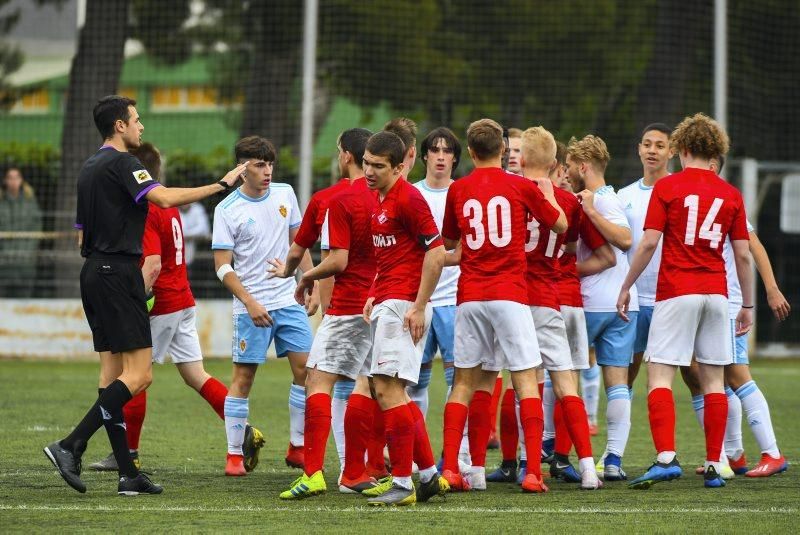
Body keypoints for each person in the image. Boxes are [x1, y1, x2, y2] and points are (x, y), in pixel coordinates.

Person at [44, 95, 247, 496]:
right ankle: (70, 445)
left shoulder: (88, 167)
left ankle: (127, 473)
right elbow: (165, 198)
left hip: (93, 273)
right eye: (136, 120)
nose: (141, 127)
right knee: (140, 375)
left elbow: (81, 234)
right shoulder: (124, 163)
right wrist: (222, 184)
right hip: (119, 273)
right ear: (119, 126)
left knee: (111, 379)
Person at [88, 142, 263, 474]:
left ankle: (129, 453)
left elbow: (152, 264)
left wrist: (134, 299)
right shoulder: (169, 206)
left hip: (162, 303)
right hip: (182, 299)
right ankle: (243, 430)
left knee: (133, 375)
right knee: (196, 375)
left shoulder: (148, 208)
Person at [617, 112, 754, 489]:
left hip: (677, 291)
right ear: (713, 152)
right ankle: (715, 463)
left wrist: (627, 284)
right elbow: (743, 255)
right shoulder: (731, 194)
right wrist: (747, 304)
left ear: (683, 149)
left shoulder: (668, 188)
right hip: (717, 295)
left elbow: (647, 243)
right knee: (713, 380)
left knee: (659, 373)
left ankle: (665, 458)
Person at [440, 118, 567, 494]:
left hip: (470, 296)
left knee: (465, 382)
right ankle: (532, 473)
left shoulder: (458, 189)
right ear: (504, 151)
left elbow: (451, 242)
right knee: (525, 378)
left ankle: (453, 468)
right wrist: (546, 195)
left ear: (471, 152)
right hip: (510, 294)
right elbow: (559, 225)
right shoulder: (521, 186)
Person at [211, 136, 317, 476]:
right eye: (259, 165)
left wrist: (309, 280)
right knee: (243, 378)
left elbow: (298, 243)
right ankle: (233, 456)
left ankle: (298, 448)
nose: (267, 171)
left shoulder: (285, 194)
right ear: (242, 170)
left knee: (307, 372)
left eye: (269, 164)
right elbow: (222, 266)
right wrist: (249, 301)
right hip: (251, 307)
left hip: (288, 300)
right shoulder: (227, 210)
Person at [270, 128, 371, 476]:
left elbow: (302, 250)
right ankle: (402, 467)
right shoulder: (389, 196)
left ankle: (321, 472)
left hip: (345, 305)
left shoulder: (330, 198)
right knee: (380, 387)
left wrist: (296, 276)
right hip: (386, 303)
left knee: (320, 381)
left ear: (345, 155)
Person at [684, 155, 790, 479]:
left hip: (726, 302)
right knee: (709, 375)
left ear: (713, 163)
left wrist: (770, 289)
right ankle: (732, 454)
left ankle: (772, 452)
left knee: (735, 374)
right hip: (706, 299)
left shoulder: (726, 197)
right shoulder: (695, 196)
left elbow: (752, 247)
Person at [360, 130, 446, 506]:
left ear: (399, 167)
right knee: (396, 393)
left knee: (386, 390)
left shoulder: (410, 199)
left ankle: (403, 482)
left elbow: (437, 252)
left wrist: (419, 304)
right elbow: (393, 255)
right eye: (366, 163)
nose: (369, 171)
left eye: (378, 166)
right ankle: (426, 476)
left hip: (403, 306)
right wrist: (374, 292)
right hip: (388, 300)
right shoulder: (378, 198)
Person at [566, 134, 637, 481]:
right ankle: (612, 459)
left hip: (594, 303)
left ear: (583, 167)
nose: (565, 173)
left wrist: (590, 209)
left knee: (563, 378)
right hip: (624, 303)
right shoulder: (611, 197)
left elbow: (624, 241)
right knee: (617, 382)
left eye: (568, 167)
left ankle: (562, 453)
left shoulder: (601, 200)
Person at [409, 127, 462, 417]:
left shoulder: (462, 192)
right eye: (435, 150)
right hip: (419, 300)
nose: (441, 156)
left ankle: (460, 455)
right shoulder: (412, 193)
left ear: (455, 158)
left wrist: (436, 259)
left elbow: (465, 249)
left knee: (459, 382)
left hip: (455, 300)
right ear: (425, 155)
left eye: (447, 151)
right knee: (414, 382)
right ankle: (418, 456)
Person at [617, 123, 673, 388]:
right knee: (626, 374)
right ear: (639, 149)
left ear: (671, 152)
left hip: (669, 298)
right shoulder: (623, 195)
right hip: (633, 300)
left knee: (694, 374)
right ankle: (620, 431)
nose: (652, 150)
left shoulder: (679, 190)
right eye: (647, 144)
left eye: (660, 145)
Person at [0, 167, 42, 297]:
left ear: (21, 180)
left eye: (16, 177)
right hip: (3, 264)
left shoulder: (30, 201)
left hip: (25, 264)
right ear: (5, 181)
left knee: (24, 303)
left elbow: (37, 228)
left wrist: (28, 252)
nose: (13, 181)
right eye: (10, 177)